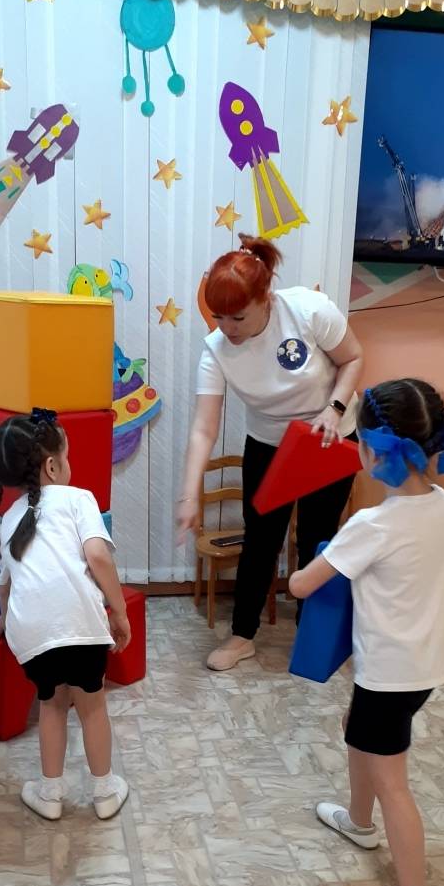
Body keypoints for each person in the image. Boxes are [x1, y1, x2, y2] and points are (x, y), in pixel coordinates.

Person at [289, 379, 444, 886]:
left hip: (389, 674)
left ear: (370, 450)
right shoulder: (440, 503)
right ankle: (359, 822)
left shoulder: (372, 525)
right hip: (420, 666)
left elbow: (302, 585)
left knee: (393, 783)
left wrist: (307, 564)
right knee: (356, 729)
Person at [178, 234, 363, 672]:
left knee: (317, 538)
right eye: (219, 317)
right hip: (269, 444)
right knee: (260, 540)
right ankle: (242, 636)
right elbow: (204, 428)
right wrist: (188, 495)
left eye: (238, 317)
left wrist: (335, 409)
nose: (228, 328)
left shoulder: (309, 311)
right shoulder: (216, 351)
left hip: (328, 436)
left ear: (266, 299)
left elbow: (353, 358)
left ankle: (312, 633)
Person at [0, 410, 131, 823]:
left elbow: (4, 585)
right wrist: (119, 611)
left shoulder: (9, 520)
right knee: (92, 707)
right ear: (52, 465)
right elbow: (98, 556)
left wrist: (3, 618)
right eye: (67, 455)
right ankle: (104, 792)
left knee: (51, 705)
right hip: (81, 628)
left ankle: (50, 794)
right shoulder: (78, 499)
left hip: (32, 637)